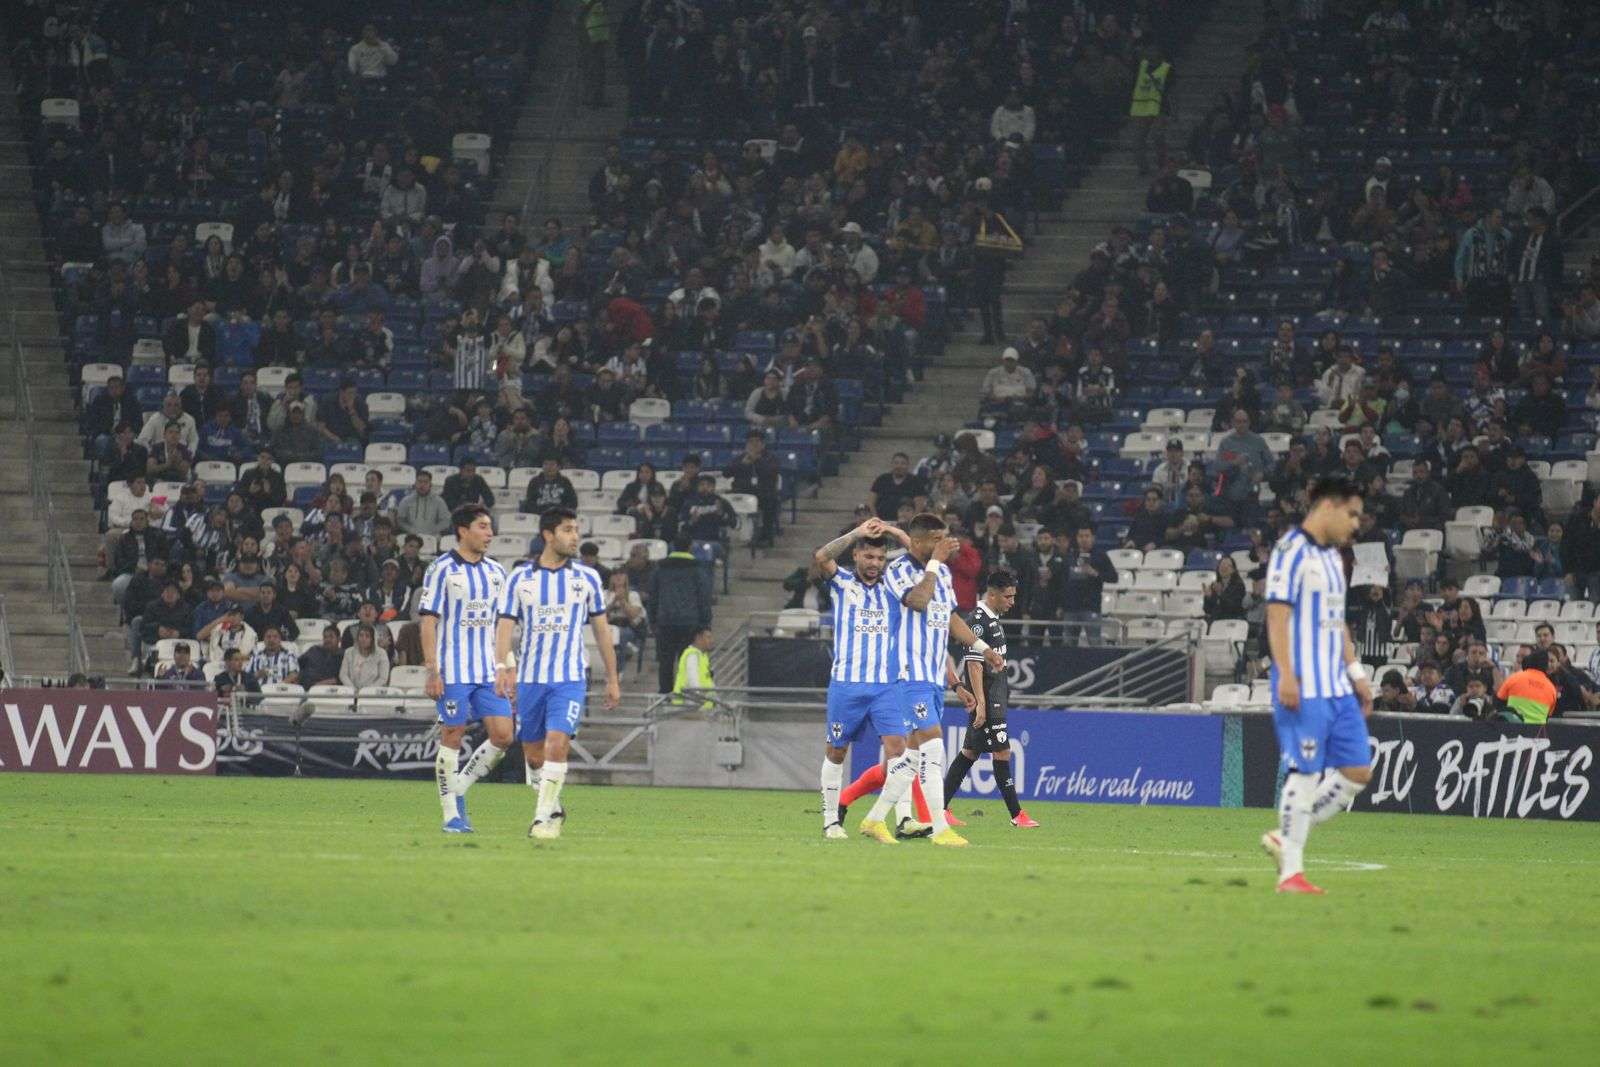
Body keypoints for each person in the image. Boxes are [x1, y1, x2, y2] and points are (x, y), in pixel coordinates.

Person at [855, 514, 1004, 847]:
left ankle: (874, 820)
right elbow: (918, 601)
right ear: (919, 541)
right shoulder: (898, 571)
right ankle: (940, 829)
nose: (945, 545)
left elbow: (950, 620)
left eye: (946, 538)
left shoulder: (945, 574)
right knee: (934, 745)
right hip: (906, 674)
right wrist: (934, 563)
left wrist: (983, 649)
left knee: (912, 757)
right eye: (938, 539)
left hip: (933, 675)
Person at [1259, 476, 1374, 895]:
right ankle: (1291, 872)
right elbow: (1276, 616)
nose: (1356, 524)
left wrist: (1357, 673)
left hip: (1337, 686)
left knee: (1358, 771)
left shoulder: (1333, 558)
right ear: (1328, 505)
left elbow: (1336, 620)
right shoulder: (1291, 550)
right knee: (1304, 773)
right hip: (1303, 682)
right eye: (1352, 513)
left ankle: (1284, 836)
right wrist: (1286, 673)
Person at [490, 507, 621, 839]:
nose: (575, 535)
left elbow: (603, 631)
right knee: (534, 757)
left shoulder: (588, 578)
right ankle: (556, 806)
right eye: (567, 529)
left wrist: (613, 677)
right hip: (531, 678)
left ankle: (541, 819)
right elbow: (504, 626)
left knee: (557, 745)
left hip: (570, 677)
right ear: (548, 535)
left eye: (576, 529)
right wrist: (503, 666)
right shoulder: (520, 577)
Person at [811, 519, 922, 840]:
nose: (875, 564)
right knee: (836, 751)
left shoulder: (894, 587)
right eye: (869, 557)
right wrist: (856, 533)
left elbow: (918, 554)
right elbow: (821, 557)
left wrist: (894, 531)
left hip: (885, 687)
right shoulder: (842, 581)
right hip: (846, 685)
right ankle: (831, 821)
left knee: (899, 751)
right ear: (857, 556)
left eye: (880, 559)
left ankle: (901, 818)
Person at [419, 505, 513, 834]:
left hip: (488, 671)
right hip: (453, 671)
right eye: (483, 527)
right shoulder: (440, 569)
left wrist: (508, 666)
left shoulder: (496, 572)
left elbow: (503, 626)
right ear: (463, 530)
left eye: (491, 527)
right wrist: (432, 670)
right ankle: (451, 816)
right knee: (453, 736)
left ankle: (457, 789)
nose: (490, 533)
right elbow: (428, 622)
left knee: (503, 735)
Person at [944, 570, 1038, 829]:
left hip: (993, 696)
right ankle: (1017, 814)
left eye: (1013, 596)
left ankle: (939, 807)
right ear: (992, 594)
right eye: (1008, 596)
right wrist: (982, 705)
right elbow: (973, 665)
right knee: (1002, 751)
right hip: (987, 699)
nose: (1012, 602)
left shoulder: (992, 619)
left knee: (970, 752)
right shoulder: (978, 620)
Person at [648, 535, 711, 693]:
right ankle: (686, 693)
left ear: (673, 547)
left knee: (665, 661)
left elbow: (653, 596)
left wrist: (652, 620)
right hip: (690, 622)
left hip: (665, 621)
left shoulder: (660, 569)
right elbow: (704, 597)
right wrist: (705, 623)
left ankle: (664, 693)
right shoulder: (697, 569)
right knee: (689, 659)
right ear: (690, 547)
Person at [1496, 649, 1558, 725]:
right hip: (1537, 733)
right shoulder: (1551, 688)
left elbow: (1498, 701)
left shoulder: (1514, 678)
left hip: (1513, 729)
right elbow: (1548, 715)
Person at [671, 627, 716, 708]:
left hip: (699, 706)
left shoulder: (703, 656)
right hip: (689, 706)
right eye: (708, 637)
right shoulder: (692, 655)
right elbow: (693, 681)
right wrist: (699, 700)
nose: (711, 641)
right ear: (698, 638)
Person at [340, 623, 391, 690]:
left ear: (373, 639)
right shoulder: (349, 652)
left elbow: (383, 678)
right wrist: (353, 689)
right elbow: (343, 675)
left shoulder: (381, 654)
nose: (363, 639)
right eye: (361, 635)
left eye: (367, 636)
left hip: (373, 693)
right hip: (352, 691)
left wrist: (366, 691)